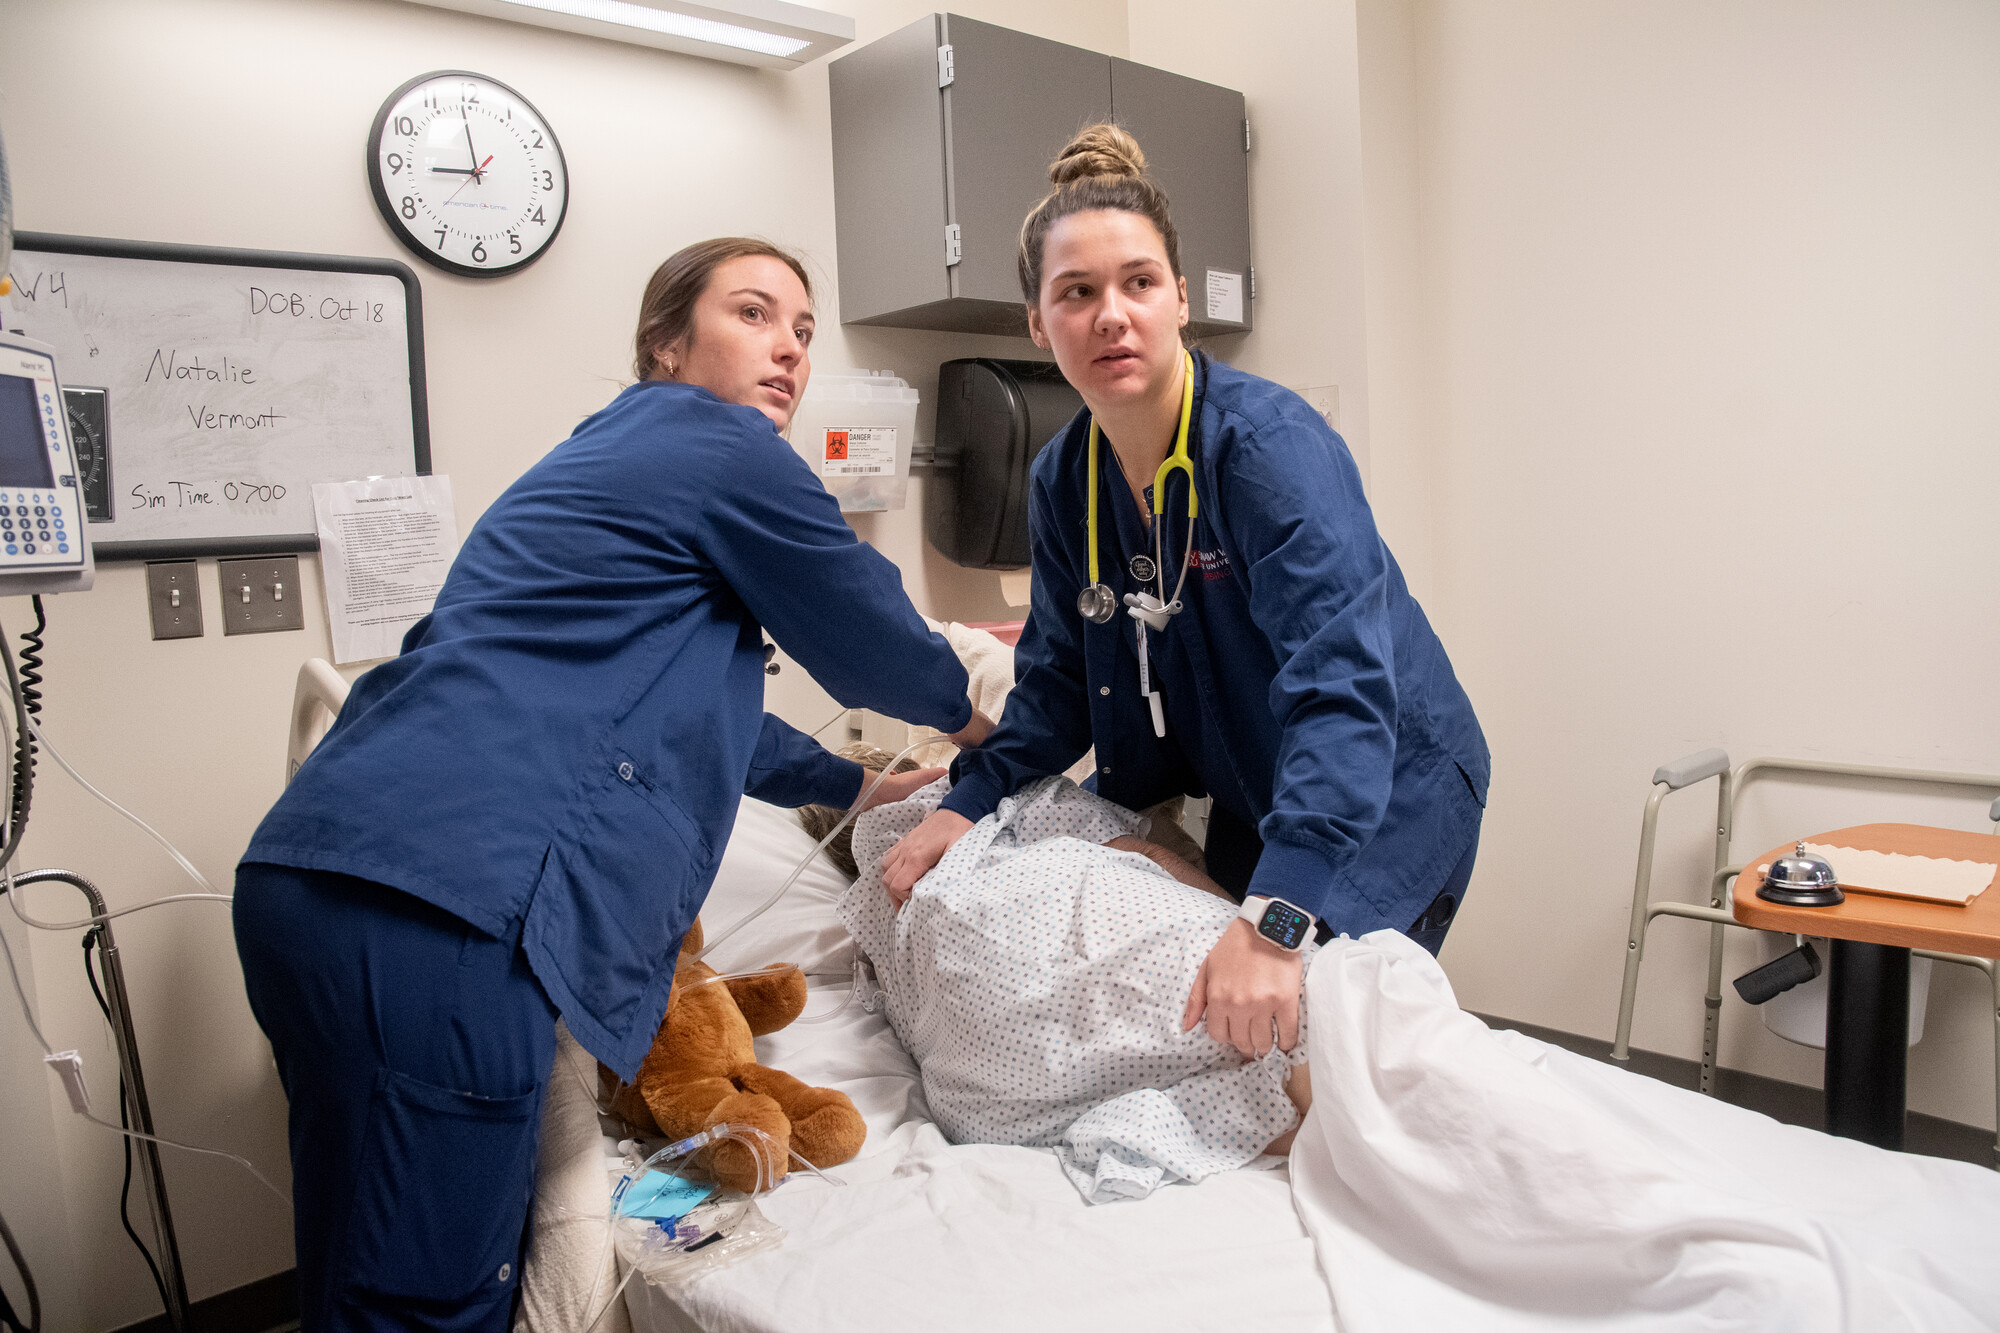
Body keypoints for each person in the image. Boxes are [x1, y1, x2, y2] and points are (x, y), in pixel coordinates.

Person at [233, 238, 986, 1330]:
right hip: (440, 907)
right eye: (753, 313)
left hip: (327, 878)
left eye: (803, 328)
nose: (787, 346)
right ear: (665, 347)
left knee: (365, 1258)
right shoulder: (718, 443)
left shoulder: (606, 464)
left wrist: (853, 787)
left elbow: (673, 708)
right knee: (424, 1298)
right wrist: (991, 728)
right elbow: (872, 636)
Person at [883, 125, 1489, 1066]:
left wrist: (1276, 921)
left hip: (1382, 786)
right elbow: (1052, 689)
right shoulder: (1063, 481)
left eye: (1138, 283)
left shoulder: (1266, 454)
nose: (1111, 316)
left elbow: (1341, 691)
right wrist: (967, 801)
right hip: (1260, 792)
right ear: (1037, 323)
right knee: (1229, 1040)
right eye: (1076, 293)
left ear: (1179, 302)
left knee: (1328, 1041)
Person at [841, 774, 1314, 1205]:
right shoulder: (999, 797)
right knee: (1301, 1011)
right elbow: (1139, 851)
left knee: (1258, 1080)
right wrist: (1242, 932)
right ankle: (1295, 1088)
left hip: (986, 1091)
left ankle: (1279, 1107)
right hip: (1118, 961)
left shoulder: (870, 935)